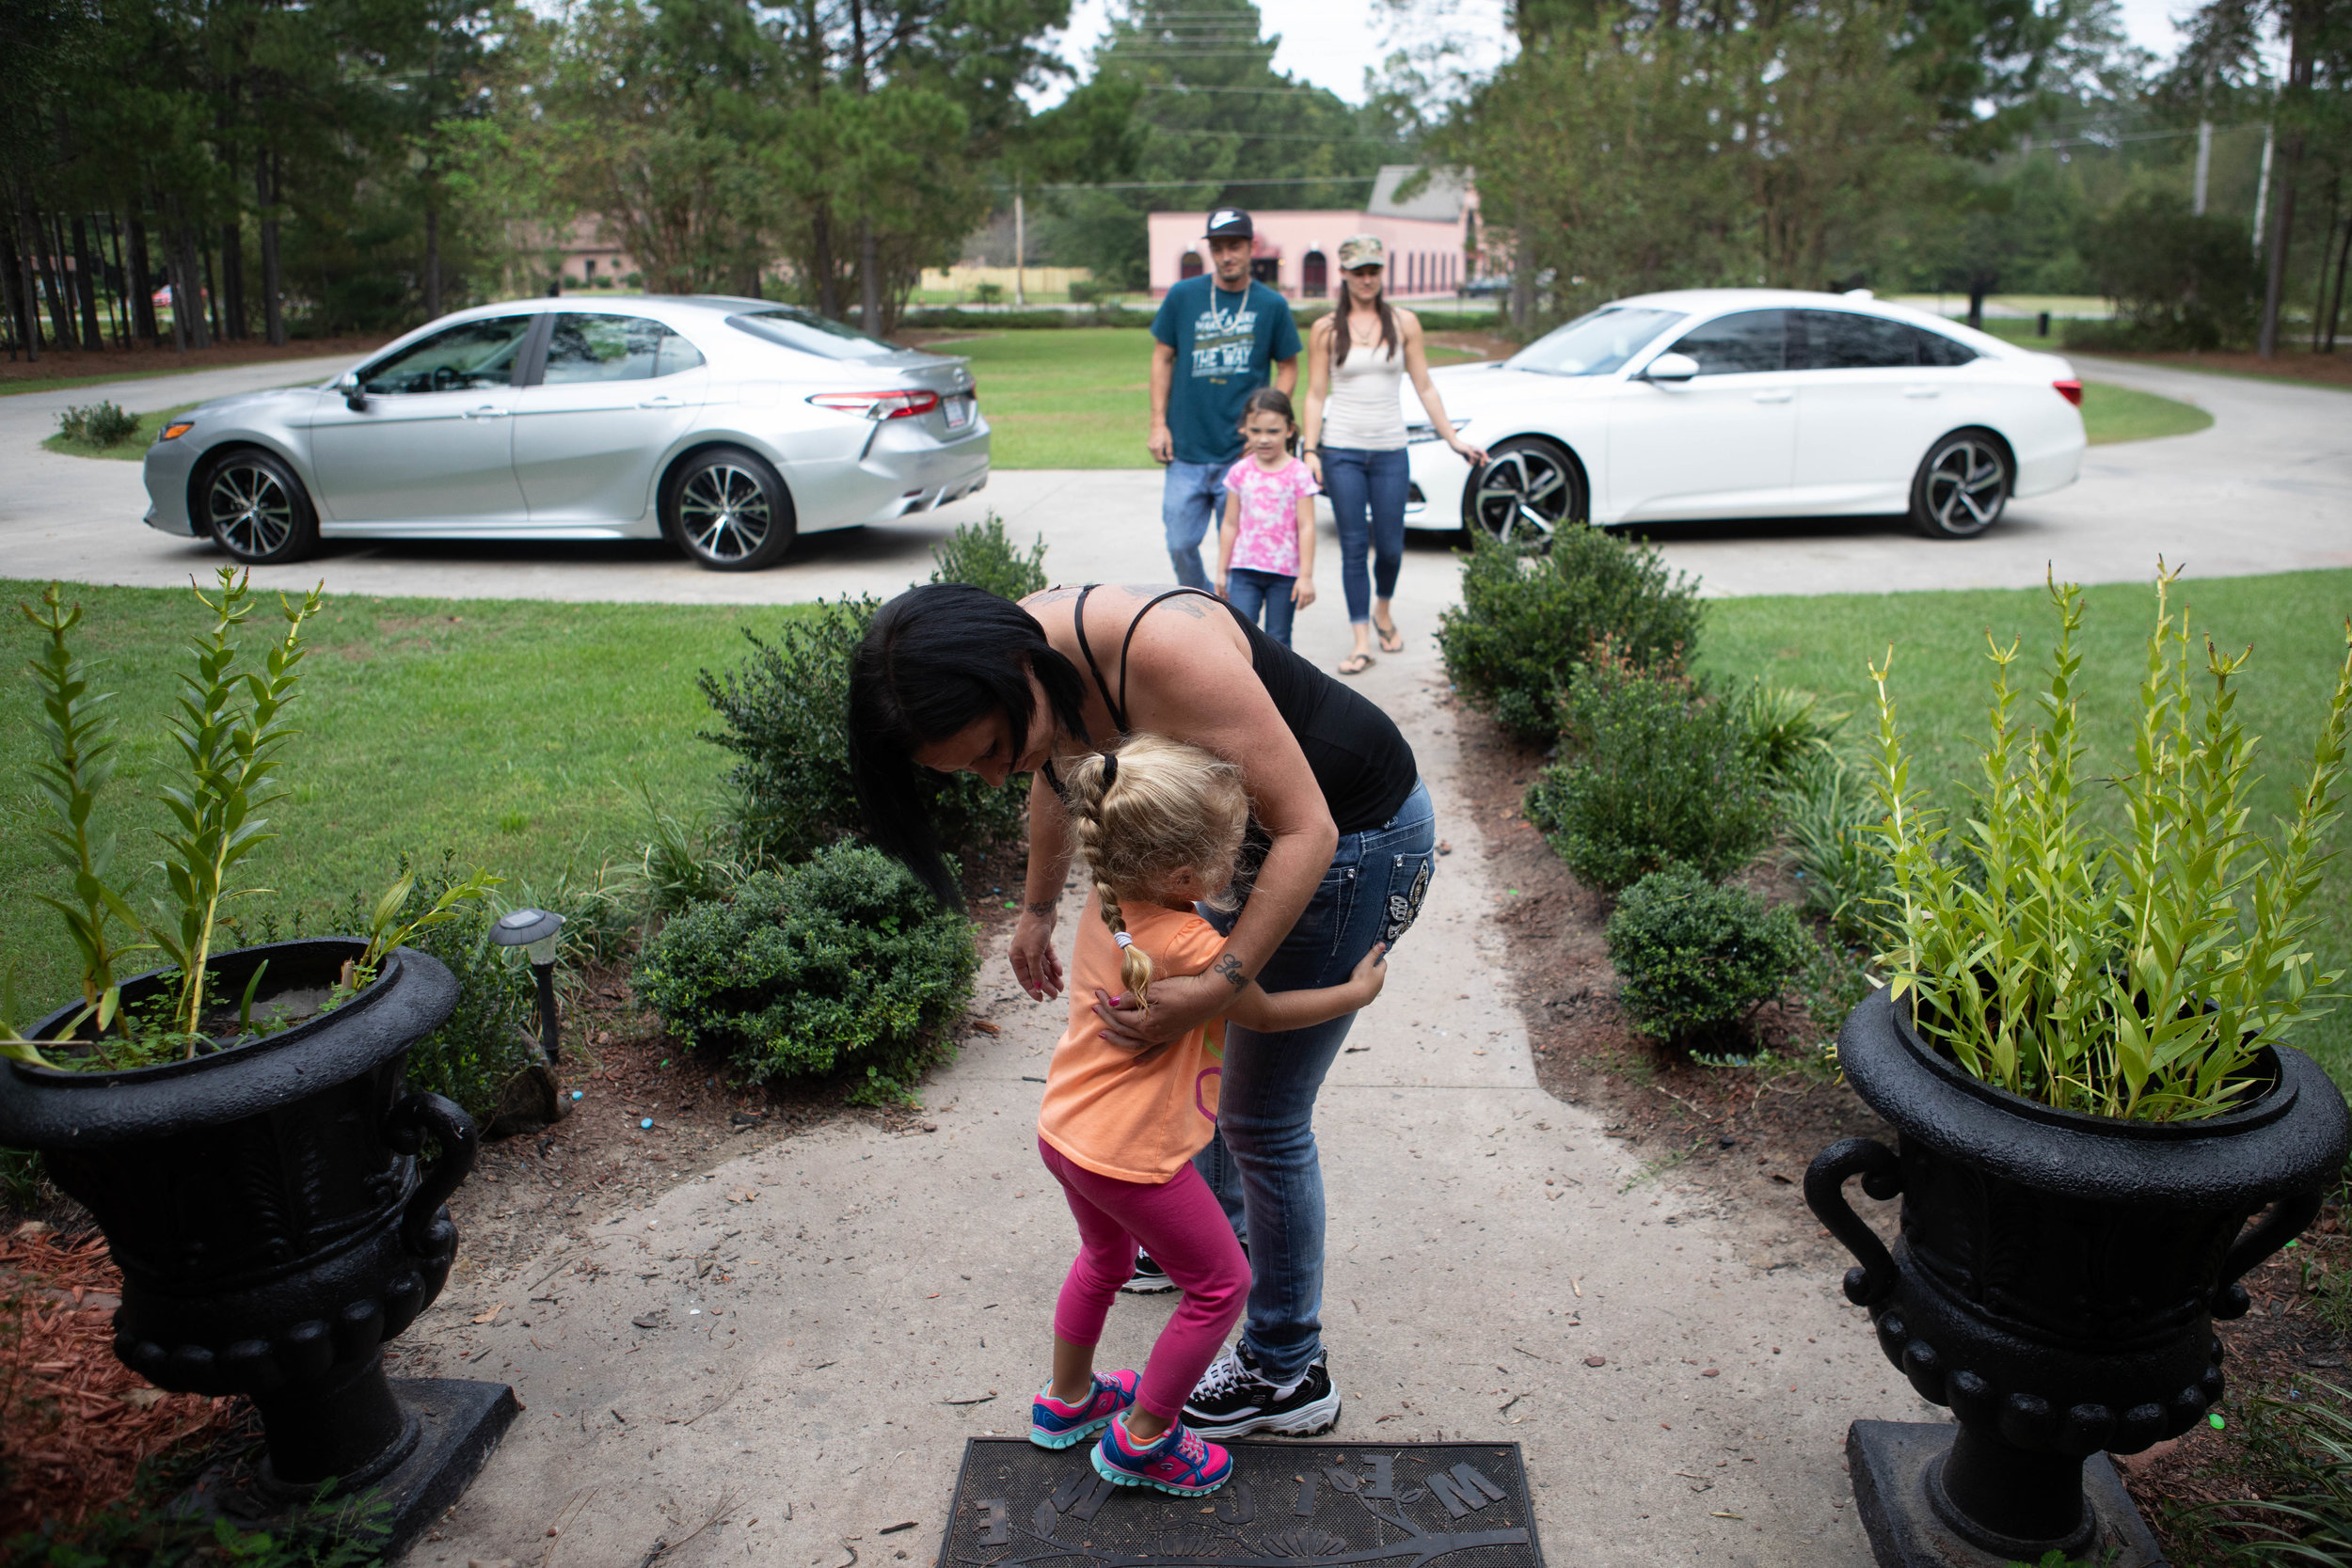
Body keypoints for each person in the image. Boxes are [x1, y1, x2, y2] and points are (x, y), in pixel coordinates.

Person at [848, 581, 1438, 1439]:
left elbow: (1306, 830)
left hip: (1348, 840)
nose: (989, 775)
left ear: (1023, 675)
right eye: (964, 768)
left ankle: (1286, 1367)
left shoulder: (1161, 655)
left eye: (986, 751)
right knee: (1230, 1096)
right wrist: (1039, 907)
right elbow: (1060, 769)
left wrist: (1219, 983)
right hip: (1232, 852)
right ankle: (1212, 1244)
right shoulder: (1024, 669)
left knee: (1262, 1116)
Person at [1027, 736, 1391, 1495]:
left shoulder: (1108, 898)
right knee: (1221, 1284)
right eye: (1232, 855)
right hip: (1133, 1156)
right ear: (1185, 875)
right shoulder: (1195, 941)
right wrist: (1354, 995)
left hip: (1066, 1131)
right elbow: (1263, 1012)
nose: (1241, 867)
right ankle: (1147, 1437)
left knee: (1104, 1260)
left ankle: (1066, 1402)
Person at [1300, 234, 1486, 676]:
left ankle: (1383, 608)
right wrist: (1310, 450)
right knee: (1351, 547)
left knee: (1390, 547)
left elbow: (1425, 386)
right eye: (1358, 272)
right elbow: (1314, 394)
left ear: (1382, 274)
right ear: (1343, 274)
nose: (1367, 279)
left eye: (1373, 271)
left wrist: (1453, 438)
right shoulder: (1326, 328)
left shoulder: (1404, 323)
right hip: (1342, 449)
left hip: (1389, 451)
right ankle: (1362, 637)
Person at [1151, 209, 1302, 592]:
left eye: (1234, 246)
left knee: (1238, 551)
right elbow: (1161, 356)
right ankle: (1202, 602)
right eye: (1217, 248)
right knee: (1180, 542)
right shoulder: (1184, 296)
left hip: (1242, 452)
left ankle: (1233, 625)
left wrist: (1267, 426)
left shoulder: (1271, 305)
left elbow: (1288, 366)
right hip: (1186, 448)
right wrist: (1158, 423)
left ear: (1251, 247)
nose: (1226, 256)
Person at [1215, 388, 1318, 648]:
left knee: (1278, 642)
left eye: (1273, 431)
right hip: (1244, 570)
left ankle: (1278, 690)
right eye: (1256, 431)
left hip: (1284, 575)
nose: (1264, 439)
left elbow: (1307, 526)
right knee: (1240, 637)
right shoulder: (1239, 472)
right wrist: (1221, 570)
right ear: (1244, 429)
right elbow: (1229, 523)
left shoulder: (1299, 474)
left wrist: (1305, 576)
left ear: (1290, 429)